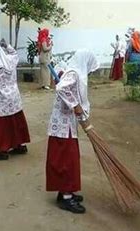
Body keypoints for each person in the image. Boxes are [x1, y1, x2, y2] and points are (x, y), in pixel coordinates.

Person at [46, 49, 99, 214]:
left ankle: (65, 193)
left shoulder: (74, 73)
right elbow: (61, 88)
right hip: (62, 126)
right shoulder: (74, 73)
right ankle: (66, 198)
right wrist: (75, 106)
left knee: (68, 160)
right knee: (67, 161)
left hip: (67, 124)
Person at [0, 39, 30, 161]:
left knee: (2, 126)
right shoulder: (10, 59)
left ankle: (0, 151)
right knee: (15, 121)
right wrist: (6, 45)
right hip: (15, 97)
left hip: (3, 100)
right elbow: (15, 54)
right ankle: (19, 146)